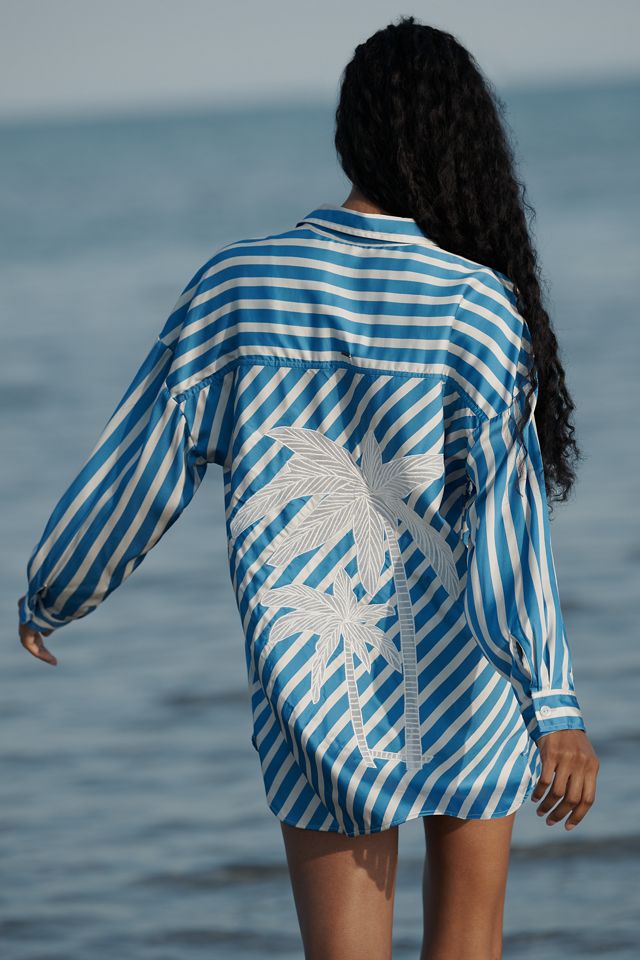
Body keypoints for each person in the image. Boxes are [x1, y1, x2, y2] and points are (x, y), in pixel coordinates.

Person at [17, 15, 599, 960]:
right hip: (472, 680)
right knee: (469, 945)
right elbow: (508, 530)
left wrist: (56, 588)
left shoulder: (236, 286)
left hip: (315, 683)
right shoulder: (477, 304)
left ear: (348, 135)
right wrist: (554, 703)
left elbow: (140, 462)